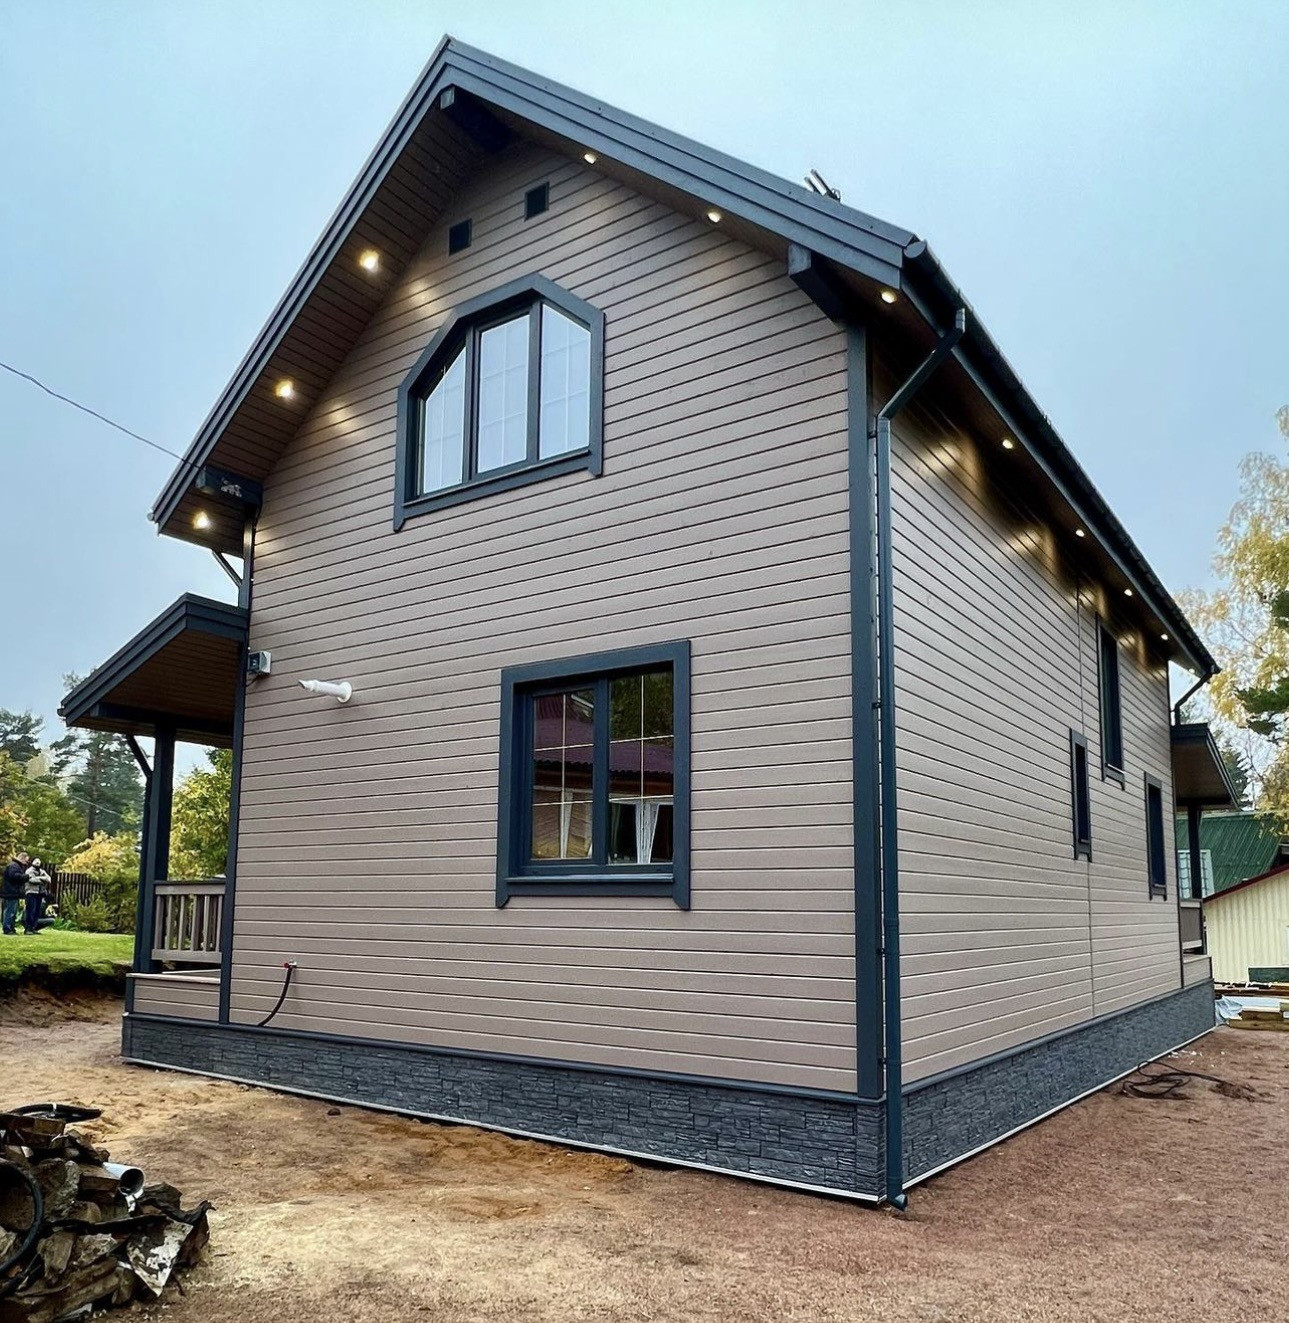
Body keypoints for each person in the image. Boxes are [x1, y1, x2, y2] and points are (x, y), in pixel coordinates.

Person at [2, 850, 30, 935]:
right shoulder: (14, 866)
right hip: (11, 892)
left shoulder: (14, 865)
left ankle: (11, 928)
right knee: (10, 911)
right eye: (26, 860)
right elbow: (14, 876)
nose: (27, 863)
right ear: (22, 858)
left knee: (12, 911)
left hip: (12, 892)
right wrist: (25, 877)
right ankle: (7, 929)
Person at [23, 858, 51, 935]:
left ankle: (33, 928)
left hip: (40, 893)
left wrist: (39, 878)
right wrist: (43, 880)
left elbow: (49, 879)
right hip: (31, 892)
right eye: (36, 861)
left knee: (37, 911)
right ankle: (28, 929)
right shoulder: (29, 871)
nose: (38, 862)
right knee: (30, 911)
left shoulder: (42, 871)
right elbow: (32, 880)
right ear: (32, 862)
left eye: (39, 861)